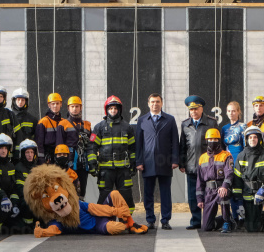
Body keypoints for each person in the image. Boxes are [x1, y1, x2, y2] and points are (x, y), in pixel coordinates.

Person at [135, 93, 179, 230]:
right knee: (148, 193)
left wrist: (175, 160)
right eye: (152, 102)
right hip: (147, 163)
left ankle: (165, 220)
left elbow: (175, 142)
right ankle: (150, 219)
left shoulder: (170, 120)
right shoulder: (142, 120)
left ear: (162, 103)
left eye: (158, 102)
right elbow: (139, 143)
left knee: (165, 193)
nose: (155, 104)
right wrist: (139, 161)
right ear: (148, 104)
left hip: (165, 162)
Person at [89, 95, 137, 217]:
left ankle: (126, 220)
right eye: (111, 108)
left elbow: (133, 148)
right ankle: (104, 221)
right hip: (105, 170)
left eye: (115, 108)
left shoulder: (127, 127)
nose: (113, 111)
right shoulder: (99, 127)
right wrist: (92, 164)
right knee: (105, 196)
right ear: (107, 110)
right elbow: (92, 147)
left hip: (123, 170)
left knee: (126, 196)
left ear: (119, 109)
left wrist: (133, 164)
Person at [179, 95, 220, 230]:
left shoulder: (211, 123)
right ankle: (195, 220)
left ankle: (208, 220)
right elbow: (183, 145)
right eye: (191, 110)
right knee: (193, 195)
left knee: (208, 194)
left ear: (202, 109)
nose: (194, 112)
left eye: (196, 109)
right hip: (191, 165)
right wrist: (182, 163)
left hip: (208, 166)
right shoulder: (185, 124)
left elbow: (219, 145)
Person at [232, 125, 264, 232]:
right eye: (250, 137)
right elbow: (237, 179)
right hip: (247, 194)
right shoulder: (241, 156)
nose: (253, 140)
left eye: (255, 137)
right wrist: (239, 202)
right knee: (252, 228)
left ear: (260, 139)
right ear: (246, 140)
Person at [196, 129, 234, 232]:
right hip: (209, 191)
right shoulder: (202, 158)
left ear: (219, 140)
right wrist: (200, 199)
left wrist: (225, 186)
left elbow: (229, 173)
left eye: (215, 139)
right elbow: (200, 181)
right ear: (206, 141)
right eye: (210, 139)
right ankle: (223, 220)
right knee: (207, 227)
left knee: (223, 194)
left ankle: (227, 221)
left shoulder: (226, 155)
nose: (212, 141)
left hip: (222, 187)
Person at [35, 92, 77, 164]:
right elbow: (39, 143)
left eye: (57, 103)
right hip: (48, 158)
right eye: (53, 104)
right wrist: (41, 160)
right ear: (49, 105)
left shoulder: (65, 122)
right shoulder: (43, 122)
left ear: (61, 104)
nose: (55, 106)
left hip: (62, 157)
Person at [66, 96, 92, 200]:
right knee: (70, 191)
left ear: (80, 107)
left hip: (83, 164)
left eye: (77, 106)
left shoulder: (87, 125)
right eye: (72, 106)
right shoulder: (63, 124)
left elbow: (91, 144)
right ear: (68, 108)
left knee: (82, 192)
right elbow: (59, 144)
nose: (75, 109)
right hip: (70, 163)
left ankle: (80, 215)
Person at [14, 139, 40, 232]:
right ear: (22, 154)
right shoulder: (19, 167)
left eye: (32, 152)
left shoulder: (37, 167)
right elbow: (20, 187)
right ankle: (28, 225)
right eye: (27, 152)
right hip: (24, 198)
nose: (30, 155)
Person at [11, 88, 37, 161]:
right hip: (11, 156)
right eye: (18, 99)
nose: (20, 102)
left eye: (23, 100)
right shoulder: (8, 117)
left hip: (27, 156)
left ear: (26, 101)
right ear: (14, 101)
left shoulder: (32, 119)